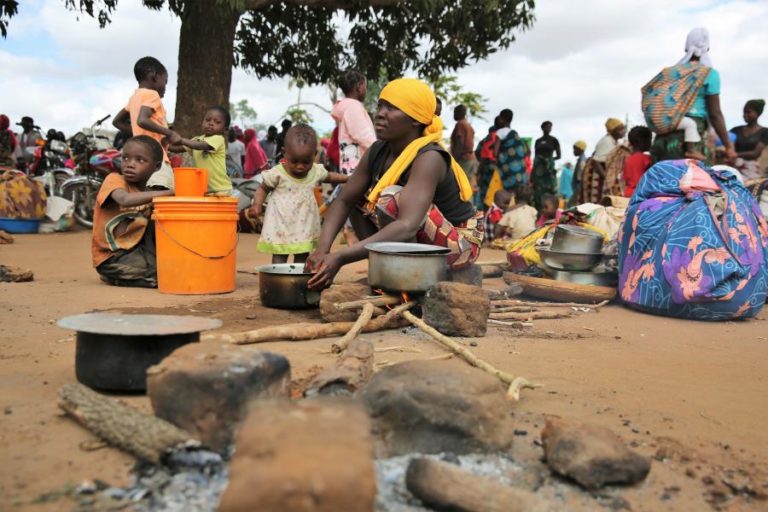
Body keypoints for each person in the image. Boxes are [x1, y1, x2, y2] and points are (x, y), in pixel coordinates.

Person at [305, 78, 482, 288]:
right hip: (423, 237)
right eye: (380, 105)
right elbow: (344, 199)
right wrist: (322, 250)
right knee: (354, 194)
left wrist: (342, 256)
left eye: (392, 108)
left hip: (460, 244)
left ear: (416, 119)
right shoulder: (378, 151)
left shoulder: (430, 157)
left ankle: (408, 276)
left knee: (392, 198)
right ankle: (387, 267)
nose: (380, 113)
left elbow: (407, 226)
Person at [249, 124, 348, 264]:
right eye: (294, 161)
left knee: (302, 254)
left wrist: (348, 178)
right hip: (280, 224)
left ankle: (297, 281)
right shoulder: (278, 173)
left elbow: (330, 176)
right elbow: (263, 188)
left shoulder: (315, 171)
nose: (300, 166)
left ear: (314, 155)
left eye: (306, 162)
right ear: (284, 153)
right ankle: (279, 280)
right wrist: (257, 204)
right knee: (279, 254)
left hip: (304, 225)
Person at [92, 136, 173, 287]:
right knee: (162, 278)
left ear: (156, 167)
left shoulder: (149, 192)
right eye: (126, 158)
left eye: (140, 160)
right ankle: (115, 275)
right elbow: (125, 200)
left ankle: (131, 273)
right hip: (111, 257)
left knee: (171, 268)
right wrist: (168, 193)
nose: (130, 164)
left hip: (136, 251)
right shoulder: (114, 180)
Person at [649, 28, 736, 165]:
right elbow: (715, 114)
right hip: (692, 141)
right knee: (695, 183)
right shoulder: (709, 74)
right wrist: (728, 146)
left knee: (662, 183)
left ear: (686, 48)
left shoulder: (670, 73)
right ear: (707, 48)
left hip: (663, 139)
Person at [112, 56, 180, 190]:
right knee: (163, 198)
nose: (165, 87)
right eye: (165, 82)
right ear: (154, 76)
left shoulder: (135, 97)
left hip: (142, 163)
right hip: (157, 161)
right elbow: (142, 120)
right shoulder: (152, 95)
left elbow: (117, 122)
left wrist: (138, 132)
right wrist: (169, 132)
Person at [173, 106, 232, 195]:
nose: (211, 124)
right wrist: (164, 143)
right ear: (202, 122)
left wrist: (181, 139)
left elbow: (201, 146)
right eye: (207, 120)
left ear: (225, 129)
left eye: (217, 122)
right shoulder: (197, 139)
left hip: (221, 189)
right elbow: (177, 149)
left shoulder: (218, 139)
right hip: (205, 189)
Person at [579, 118, 626, 204]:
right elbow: (596, 162)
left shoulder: (615, 142)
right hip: (596, 173)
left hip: (603, 172)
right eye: (620, 129)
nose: (623, 131)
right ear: (612, 130)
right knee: (595, 200)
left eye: (623, 128)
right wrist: (607, 177)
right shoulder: (606, 141)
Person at [730, 99, 768, 180]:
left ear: (758, 113)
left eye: (748, 112)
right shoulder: (736, 130)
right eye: (744, 112)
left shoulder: (765, 132)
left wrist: (735, 154)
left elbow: (756, 153)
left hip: (751, 169)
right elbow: (727, 144)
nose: (745, 115)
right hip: (733, 166)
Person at [494, 109, 529, 192]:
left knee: (509, 191)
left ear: (502, 119)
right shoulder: (515, 133)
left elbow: (495, 152)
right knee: (518, 191)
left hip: (508, 169)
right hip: (520, 171)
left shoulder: (500, 132)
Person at [450, 105, 478, 204]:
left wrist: (455, 160)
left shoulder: (460, 124)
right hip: (471, 158)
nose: (453, 115)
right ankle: (470, 207)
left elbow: (460, 142)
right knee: (468, 184)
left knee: (460, 184)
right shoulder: (468, 124)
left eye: (455, 112)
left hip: (464, 158)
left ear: (459, 113)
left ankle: (464, 207)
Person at [531, 121, 561, 210]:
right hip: (538, 169)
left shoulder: (554, 140)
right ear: (542, 128)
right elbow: (536, 156)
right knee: (538, 189)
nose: (548, 129)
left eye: (550, 127)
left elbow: (559, 156)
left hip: (549, 169)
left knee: (550, 189)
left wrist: (549, 161)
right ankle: (539, 210)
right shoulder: (538, 141)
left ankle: (551, 210)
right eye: (547, 127)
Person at [623, 126, 654, 197]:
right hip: (638, 195)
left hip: (628, 193)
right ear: (643, 142)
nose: (650, 143)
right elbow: (638, 182)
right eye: (649, 140)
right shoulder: (643, 158)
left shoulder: (629, 159)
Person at [569, 140, 588, 207]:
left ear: (580, 149)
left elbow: (580, 177)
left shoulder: (582, 161)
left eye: (575, 149)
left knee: (570, 204)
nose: (573, 151)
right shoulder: (580, 159)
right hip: (578, 187)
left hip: (579, 187)